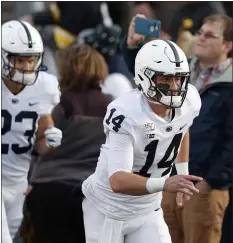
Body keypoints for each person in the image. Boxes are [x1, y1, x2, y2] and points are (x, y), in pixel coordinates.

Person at [122, 14, 233, 243]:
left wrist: (210, 182)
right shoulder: (180, 69)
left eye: (210, 35)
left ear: (228, 45)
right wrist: (134, 47)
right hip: (166, 182)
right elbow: (147, 81)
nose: (200, 38)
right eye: (200, 32)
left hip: (203, 189)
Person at [81, 35, 203, 242]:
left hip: (147, 209)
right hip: (108, 208)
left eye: (178, 78)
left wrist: (183, 174)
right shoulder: (127, 111)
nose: (174, 86)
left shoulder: (189, 100)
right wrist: (166, 183)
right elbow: (118, 180)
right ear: (144, 77)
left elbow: (182, 129)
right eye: (165, 79)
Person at [20, 44, 112, 243]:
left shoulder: (54, 104)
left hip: (49, 191)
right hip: (93, 195)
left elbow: (34, 145)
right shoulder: (113, 106)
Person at [1, 20, 62, 243]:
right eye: (19, 60)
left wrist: (50, 140)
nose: (27, 67)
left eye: (31, 59)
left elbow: (40, 142)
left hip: (17, 182)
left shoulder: (44, 87)